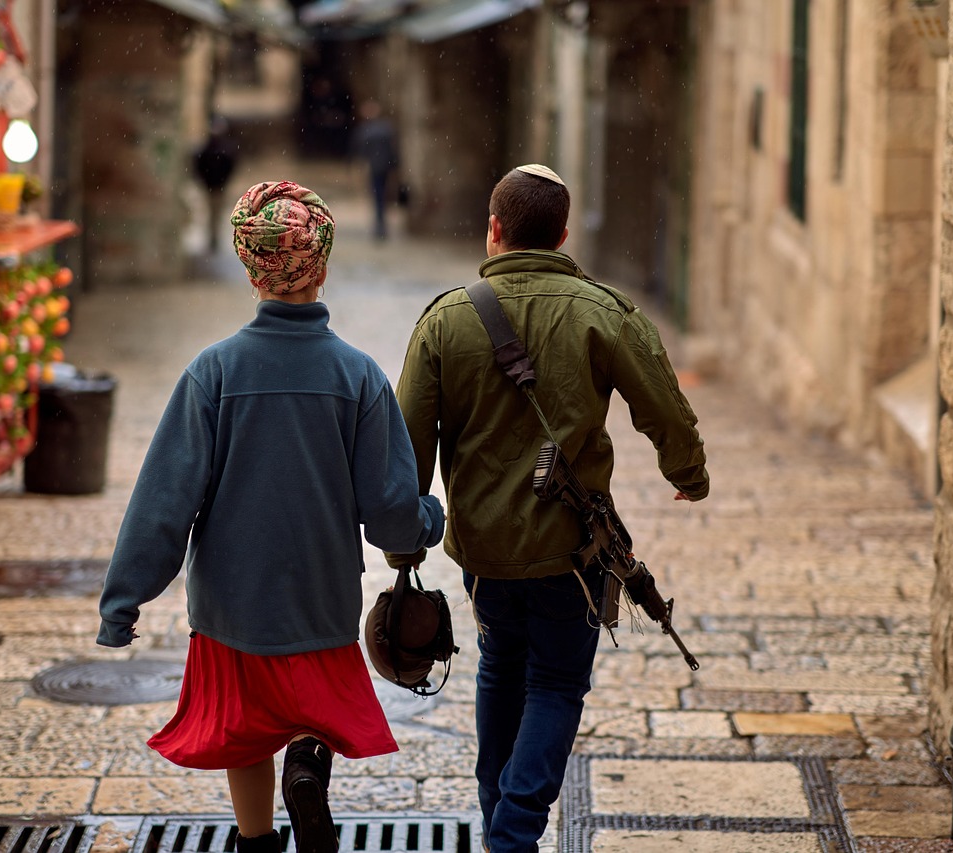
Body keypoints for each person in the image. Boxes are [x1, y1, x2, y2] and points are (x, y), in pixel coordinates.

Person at [98, 181, 445, 853]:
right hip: (320, 597)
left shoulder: (213, 373)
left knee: (246, 729)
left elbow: (163, 502)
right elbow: (390, 515)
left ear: (251, 268)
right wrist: (427, 520)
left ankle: (256, 840)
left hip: (233, 607)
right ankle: (309, 762)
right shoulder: (358, 377)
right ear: (322, 264)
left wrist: (123, 602)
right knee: (312, 704)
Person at [388, 165, 710, 852]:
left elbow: (406, 450)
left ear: (493, 229)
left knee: (501, 666)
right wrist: (689, 474)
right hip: (572, 548)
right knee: (558, 684)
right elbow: (664, 407)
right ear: (563, 235)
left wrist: (403, 545)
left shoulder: (445, 320)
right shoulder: (604, 312)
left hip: (485, 553)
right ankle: (513, 834)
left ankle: (500, 828)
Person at [348, 100, 398, 240]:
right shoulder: (385, 129)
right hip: (384, 166)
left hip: (375, 167)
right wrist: (395, 166)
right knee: (382, 195)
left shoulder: (365, 130)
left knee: (378, 195)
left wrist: (356, 165)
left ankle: (380, 224)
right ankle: (381, 223)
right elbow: (393, 150)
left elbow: (358, 151)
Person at [193, 117, 239, 253]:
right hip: (213, 186)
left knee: (215, 214)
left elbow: (229, 166)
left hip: (217, 186)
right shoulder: (214, 150)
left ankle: (214, 239)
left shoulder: (220, 150)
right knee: (213, 214)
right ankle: (213, 239)